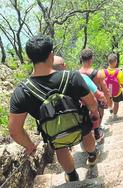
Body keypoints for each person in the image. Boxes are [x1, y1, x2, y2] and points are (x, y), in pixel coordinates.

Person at [8, 35, 100, 182]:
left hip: (55, 135)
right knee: (86, 131)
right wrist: (94, 113)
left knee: (60, 147)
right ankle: (92, 155)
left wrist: (30, 145)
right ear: (51, 55)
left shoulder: (22, 91)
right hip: (80, 125)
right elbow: (92, 102)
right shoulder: (72, 77)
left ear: (30, 58)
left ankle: (72, 175)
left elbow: (14, 130)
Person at [79, 48, 113, 144]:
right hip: (97, 100)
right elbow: (105, 90)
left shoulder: (77, 74)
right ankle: (97, 132)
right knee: (98, 117)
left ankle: (89, 136)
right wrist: (108, 102)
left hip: (83, 102)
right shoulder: (98, 74)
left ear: (82, 59)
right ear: (91, 59)